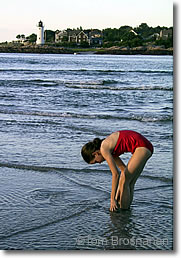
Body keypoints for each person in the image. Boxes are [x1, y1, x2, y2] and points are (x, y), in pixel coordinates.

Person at [81, 130, 153, 212]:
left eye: (96, 161)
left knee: (126, 180)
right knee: (130, 182)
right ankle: (126, 210)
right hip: (146, 147)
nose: (100, 163)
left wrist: (112, 199)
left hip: (142, 147)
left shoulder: (104, 148)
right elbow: (122, 169)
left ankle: (124, 213)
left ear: (95, 153)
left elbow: (115, 174)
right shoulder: (110, 149)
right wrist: (116, 197)